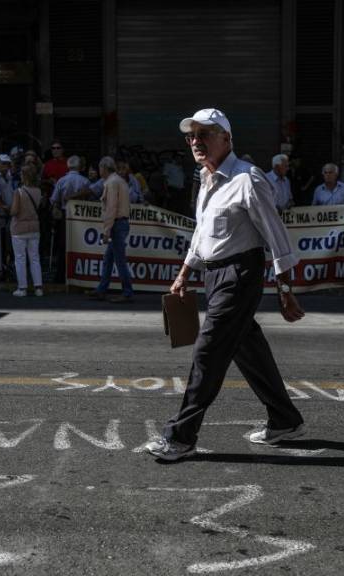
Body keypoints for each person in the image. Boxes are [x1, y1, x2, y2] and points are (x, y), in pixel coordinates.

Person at [145, 108, 305, 462]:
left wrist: (285, 290)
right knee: (248, 349)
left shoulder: (248, 179)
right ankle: (285, 420)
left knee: (208, 351)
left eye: (205, 135)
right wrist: (185, 273)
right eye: (192, 136)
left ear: (227, 139)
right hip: (214, 276)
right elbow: (202, 232)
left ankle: (181, 436)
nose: (196, 142)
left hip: (240, 275)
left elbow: (275, 235)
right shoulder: (206, 179)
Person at [86, 156, 134, 303]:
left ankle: (127, 292)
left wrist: (106, 231)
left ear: (104, 168)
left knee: (119, 260)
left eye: (100, 168)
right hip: (120, 223)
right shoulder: (119, 181)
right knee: (109, 259)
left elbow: (111, 208)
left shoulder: (112, 183)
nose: (99, 171)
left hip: (116, 225)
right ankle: (102, 289)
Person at [49, 155, 91, 283]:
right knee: (79, 245)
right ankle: (78, 274)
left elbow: (54, 199)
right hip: (81, 217)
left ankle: (61, 276)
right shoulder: (85, 181)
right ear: (79, 167)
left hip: (65, 215)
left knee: (63, 246)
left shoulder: (61, 181)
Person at [10, 165, 45, 298]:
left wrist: (7, 208)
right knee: (35, 258)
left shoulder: (18, 191)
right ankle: (38, 288)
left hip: (19, 228)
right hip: (34, 228)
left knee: (20, 259)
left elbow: (14, 211)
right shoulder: (38, 191)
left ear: (23, 176)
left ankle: (22, 288)